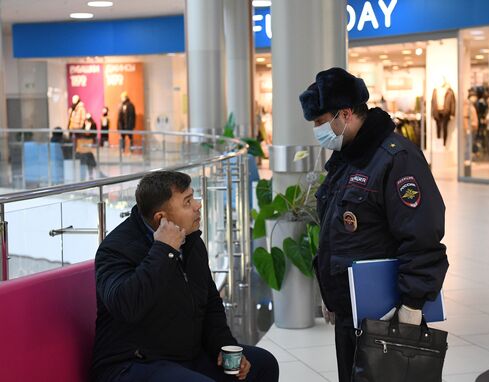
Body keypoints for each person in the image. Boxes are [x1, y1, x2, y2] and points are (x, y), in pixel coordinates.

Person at [299, 67, 449, 381]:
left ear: (345, 113)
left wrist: (412, 303)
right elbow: (336, 229)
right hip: (350, 310)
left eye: (320, 122)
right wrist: (333, 297)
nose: (317, 130)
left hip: (387, 314)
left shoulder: (396, 158)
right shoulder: (347, 157)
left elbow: (422, 233)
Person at [91, 171, 279, 382]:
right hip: (131, 365)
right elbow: (128, 306)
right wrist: (164, 250)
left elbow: (210, 304)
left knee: (263, 364)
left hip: (185, 356)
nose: (198, 205)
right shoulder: (116, 249)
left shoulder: (191, 241)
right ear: (161, 218)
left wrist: (224, 347)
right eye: (187, 202)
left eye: (193, 197)